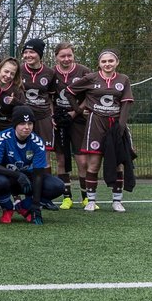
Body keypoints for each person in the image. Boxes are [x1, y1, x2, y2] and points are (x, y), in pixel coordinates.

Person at [68, 49, 134, 213]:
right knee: (94, 163)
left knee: (117, 163)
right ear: (99, 64)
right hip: (95, 124)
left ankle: (117, 201)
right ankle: (91, 200)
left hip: (115, 125)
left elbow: (126, 103)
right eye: (104, 61)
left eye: (111, 61)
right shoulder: (91, 78)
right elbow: (70, 91)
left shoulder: (123, 79)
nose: (107, 64)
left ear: (116, 63)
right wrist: (78, 110)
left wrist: (121, 125)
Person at [0, 106, 64, 224]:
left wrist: (35, 205)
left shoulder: (37, 142)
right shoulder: (2, 138)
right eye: (22, 123)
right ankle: (7, 209)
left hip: (28, 179)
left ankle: (24, 206)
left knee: (57, 186)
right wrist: (17, 175)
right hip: (8, 177)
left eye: (30, 123)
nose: (27, 127)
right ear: (14, 124)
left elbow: (39, 174)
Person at [51, 42, 91, 209]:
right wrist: (52, 115)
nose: (66, 59)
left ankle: (86, 197)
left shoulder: (84, 72)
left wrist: (77, 111)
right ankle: (66, 197)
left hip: (78, 118)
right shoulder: (51, 73)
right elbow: (48, 97)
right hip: (59, 120)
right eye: (62, 56)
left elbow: (91, 95)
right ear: (56, 57)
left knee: (82, 160)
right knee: (61, 159)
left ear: (73, 56)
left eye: (69, 55)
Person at [18, 38, 58, 159]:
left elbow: (51, 97)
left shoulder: (50, 72)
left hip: (43, 116)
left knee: (44, 151)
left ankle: (43, 177)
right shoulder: (18, 70)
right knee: (23, 150)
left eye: (32, 52)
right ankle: (26, 177)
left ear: (40, 54)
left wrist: (52, 116)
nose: (28, 55)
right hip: (24, 116)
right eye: (25, 52)